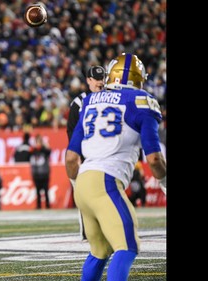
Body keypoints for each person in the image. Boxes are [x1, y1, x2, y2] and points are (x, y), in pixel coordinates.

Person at [65, 53, 166, 281]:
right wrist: (165, 181)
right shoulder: (142, 102)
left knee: (99, 252)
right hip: (106, 181)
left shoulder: (90, 101)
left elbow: (71, 157)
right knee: (127, 245)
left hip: (83, 182)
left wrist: (76, 183)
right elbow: (154, 159)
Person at [67, 65, 105, 241]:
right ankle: (87, 234)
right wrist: (77, 156)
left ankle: (107, 229)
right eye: (96, 78)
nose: (100, 82)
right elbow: (72, 132)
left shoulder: (111, 98)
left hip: (105, 155)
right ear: (88, 80)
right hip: (85, 156)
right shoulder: (79, 103)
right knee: (83, 197)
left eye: (102, 78)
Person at [29, 134, 51, 209]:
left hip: (44, 173)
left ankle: (47, 205)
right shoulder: (33, 150)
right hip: (36, 174)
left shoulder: (44, 150)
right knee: (37, 191)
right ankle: (38, 206)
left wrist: (44, 144)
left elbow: (49, 151)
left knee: (46, 191)